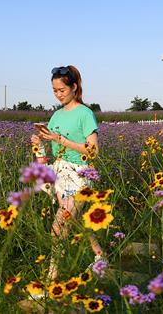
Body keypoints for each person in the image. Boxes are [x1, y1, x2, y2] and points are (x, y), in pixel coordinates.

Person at [30, 65, 106, 281]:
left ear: (74, 87)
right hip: (60, 172)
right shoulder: (56, 116)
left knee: (58, 226)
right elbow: (46, 155)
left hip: (80, 174)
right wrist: (39, 143)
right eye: (54, 90)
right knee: (76, 220)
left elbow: (93, 151)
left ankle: (50, 279)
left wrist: (60, 140)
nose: (58, 94)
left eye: (62, 90)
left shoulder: (85, 113)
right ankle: (100, 255)